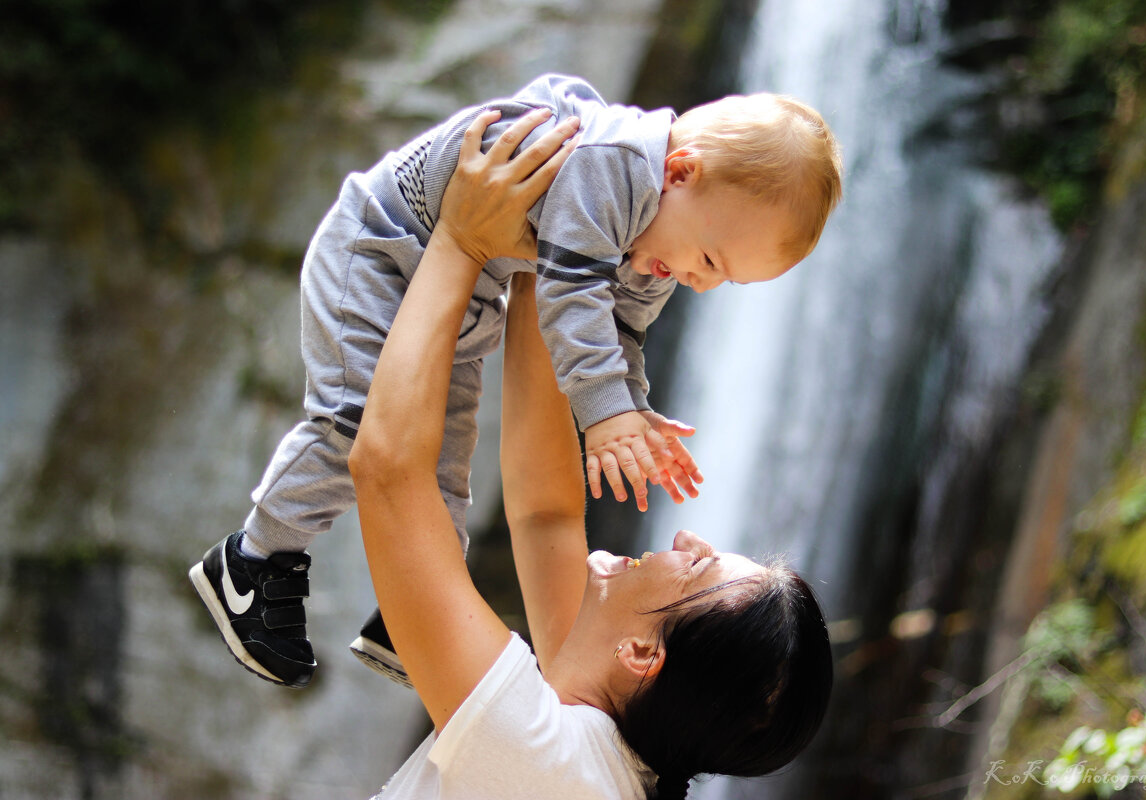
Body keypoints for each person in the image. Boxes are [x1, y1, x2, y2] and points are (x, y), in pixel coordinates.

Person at [190, 73, 843, 689]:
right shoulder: (610, 167)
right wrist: (604, 413)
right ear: (678, 172)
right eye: (708, 260)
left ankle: (418, 603)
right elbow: (569, 295)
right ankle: (255, 559)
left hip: (465, 299)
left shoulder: (661, 245)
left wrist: (633, 410)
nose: (700, 281)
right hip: (381, 254)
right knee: (357, 424)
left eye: (724, 279)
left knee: (446, 458)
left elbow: (620, 335)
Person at [351, 103, 834, 800]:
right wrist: (553, 235)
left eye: (697, 564)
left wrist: (460, 237)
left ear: (643, 654)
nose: (688, 534)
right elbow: (545, 511)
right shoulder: (602, 751)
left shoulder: (547, 763)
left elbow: (388, 473)